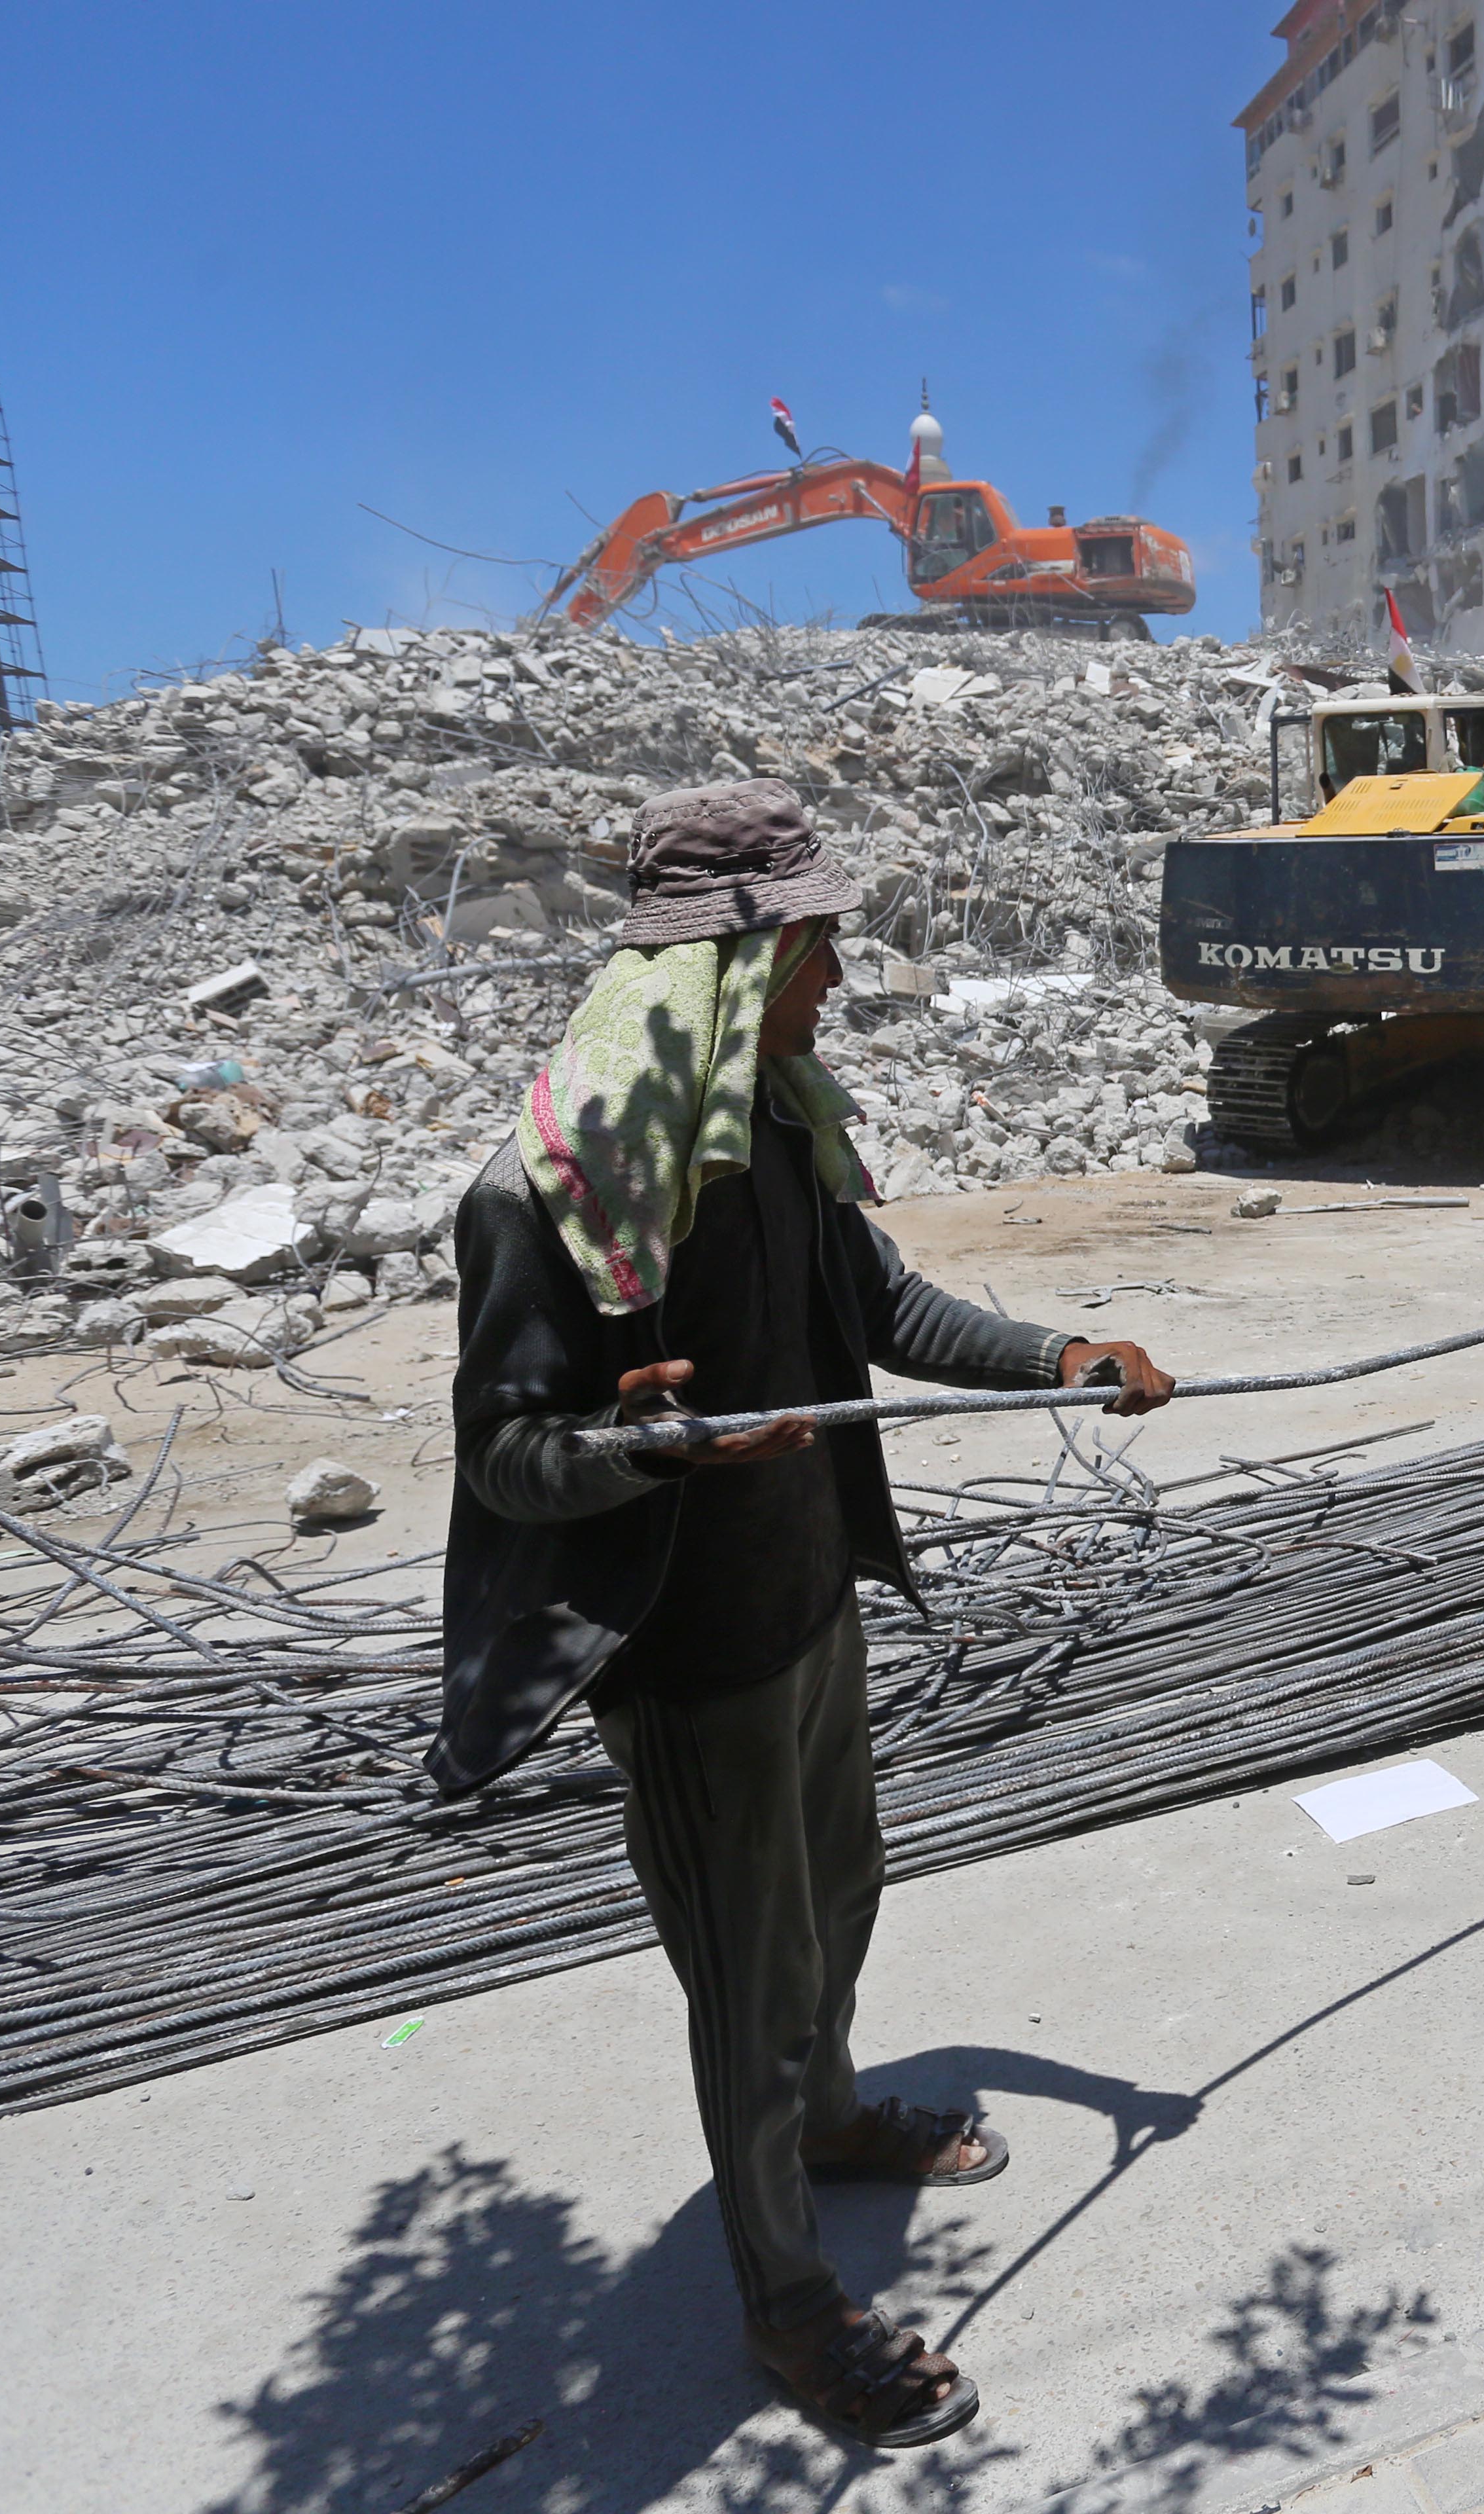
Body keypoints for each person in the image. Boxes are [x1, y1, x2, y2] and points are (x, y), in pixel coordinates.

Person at [429, 777, 1175, 2450]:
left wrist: (1061, 1356)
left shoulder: (766, 1127)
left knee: (840, 1895)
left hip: (804, 1602)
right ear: (723, 963)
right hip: (686, 1654)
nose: (835, 977)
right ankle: (782, 2297)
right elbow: (508, 1458)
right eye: (815, 946)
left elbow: (882, 1301)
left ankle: (831, 2120)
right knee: (745, 1981)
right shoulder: (542, 1190)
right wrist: (644, 1443)